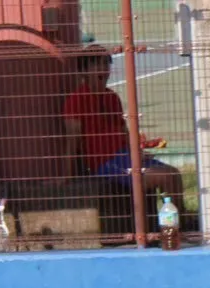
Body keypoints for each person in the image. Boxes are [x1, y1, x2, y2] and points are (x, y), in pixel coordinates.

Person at [62, 46, 187, 209]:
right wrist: (67, 176)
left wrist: (137, 152)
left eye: (106, 65)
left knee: (173, 173)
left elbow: (124, 132)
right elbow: (73, 141)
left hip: (125, 156)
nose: (103, 70)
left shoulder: (112, 97)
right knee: (165, 177)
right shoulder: (76, 101)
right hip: (105, 162)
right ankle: (172, 227)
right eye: (96, 66)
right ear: (83, 71)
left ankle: (179, 223)